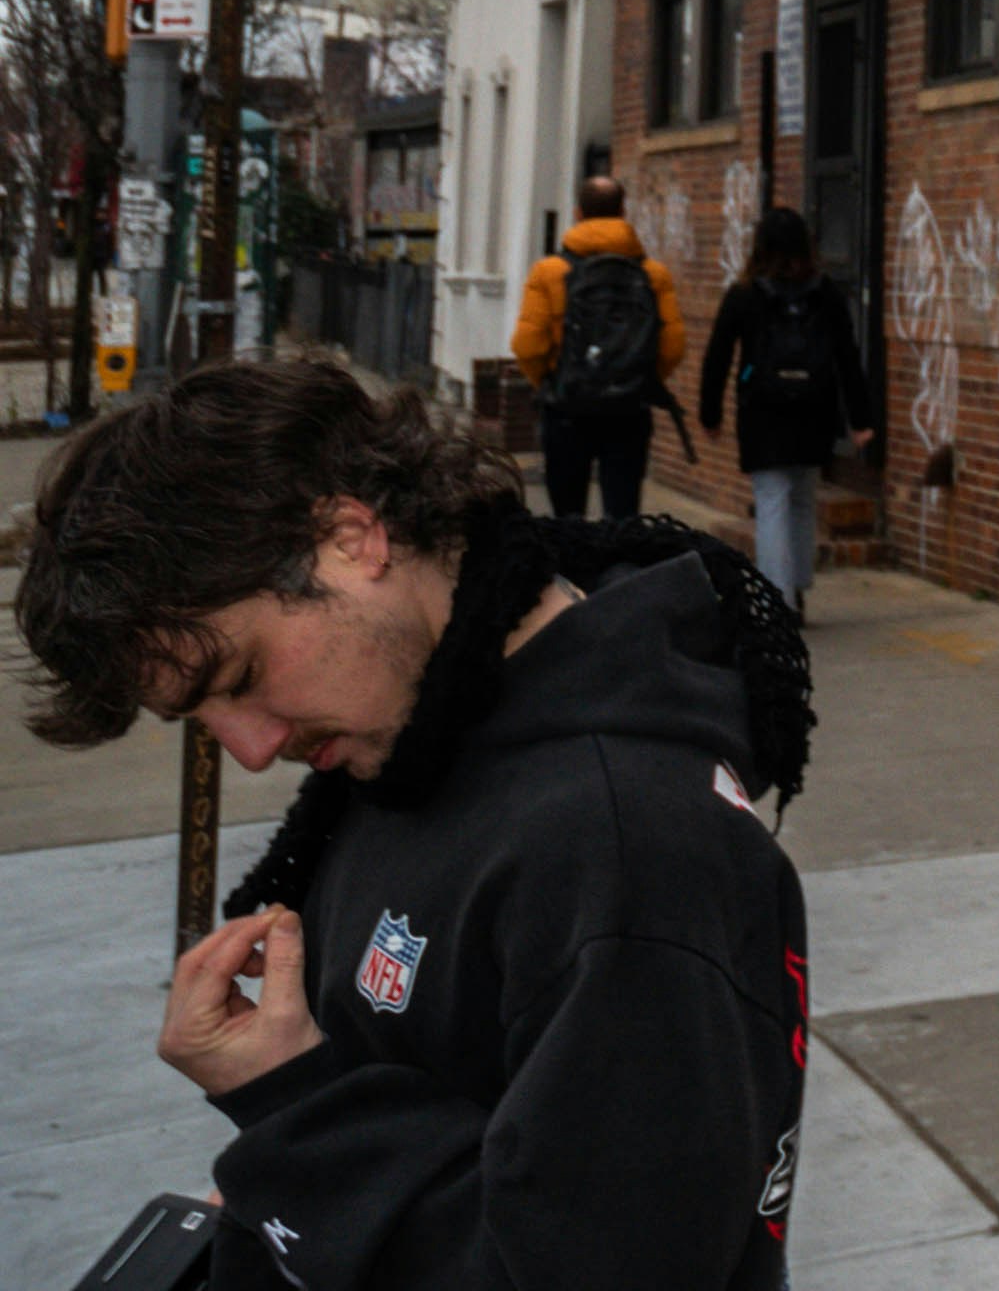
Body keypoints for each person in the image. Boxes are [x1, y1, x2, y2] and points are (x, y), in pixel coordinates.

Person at [13, 354, 814, 1290]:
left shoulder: (621, 847)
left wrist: (291, 1108)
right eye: (200, 717)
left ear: (351, 537)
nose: (251, 749)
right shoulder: (420, 731)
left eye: (241, 677)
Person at [697, 205, 873, 607]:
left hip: (763, 410)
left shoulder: (744, 294)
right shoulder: (825, 293)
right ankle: (799, 581)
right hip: (814, 407)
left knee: (771, 501)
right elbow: (848, 357)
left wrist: (711, 413)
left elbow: (717, 356)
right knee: (803, 495)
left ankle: (779, 600)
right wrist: (860, 419)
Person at [511, 172, 686, 520]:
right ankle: (618, 557)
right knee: (622, 514)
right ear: (623, 212)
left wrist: (549, 381)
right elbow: (673, 347)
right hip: (629, 408)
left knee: (567, 515)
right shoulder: (653, 274)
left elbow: (527, 346)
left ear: (578, 213)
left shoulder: (548, 271)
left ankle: (572, 555)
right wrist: (639, 378)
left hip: (566, 407)